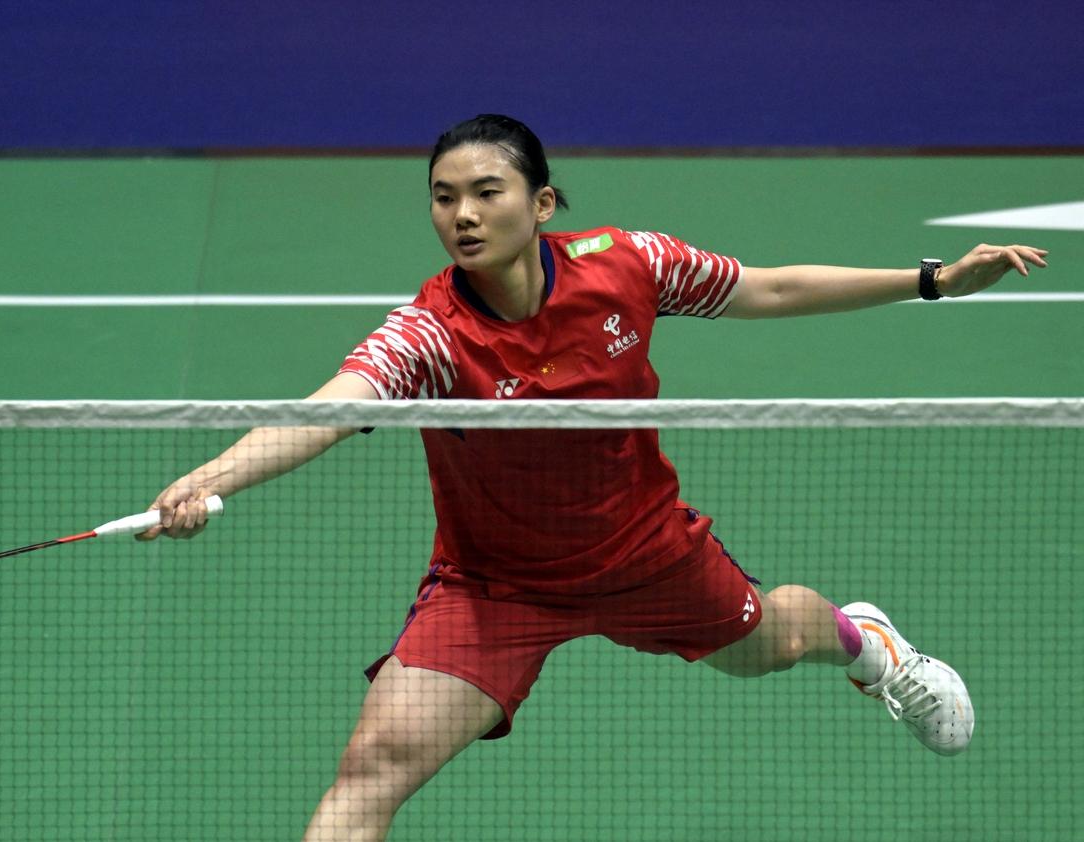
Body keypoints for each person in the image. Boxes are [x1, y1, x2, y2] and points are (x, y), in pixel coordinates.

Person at [138, 114, 1049, 841]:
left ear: (541, 203)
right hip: (496, 587)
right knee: (373, 766)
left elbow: (766, 288)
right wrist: (211, 477)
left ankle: (868, 644)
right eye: (444, 198)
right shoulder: (429, 334)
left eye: (486, 193)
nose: (462, 215)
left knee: (772, 645)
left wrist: (932, 281)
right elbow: (327, 410)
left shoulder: (629, 265)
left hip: (646, 555)